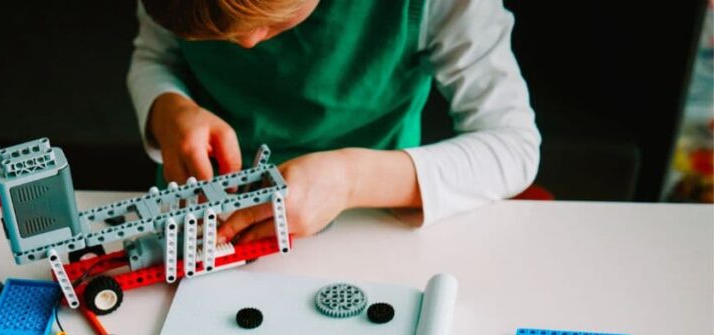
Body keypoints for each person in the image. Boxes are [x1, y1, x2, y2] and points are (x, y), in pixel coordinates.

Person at [126, 0, 541, 242]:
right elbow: (155, 56)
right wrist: (166, 107)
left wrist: (351, 182)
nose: (247, 42)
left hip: (370, 225)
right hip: (197, 218)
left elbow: (514, 148)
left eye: (274, 20)